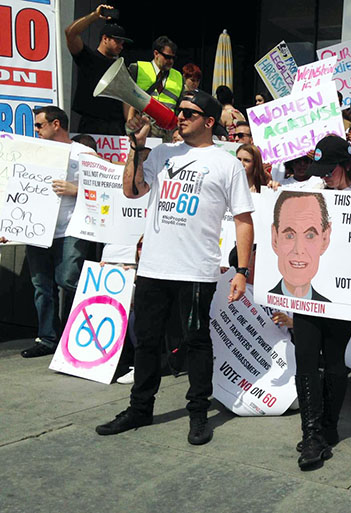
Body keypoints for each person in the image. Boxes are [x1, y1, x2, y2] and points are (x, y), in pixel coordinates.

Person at [95, 90, 255, 446]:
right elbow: (132, 191)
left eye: (189, 113)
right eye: (179, 111)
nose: (179, 117)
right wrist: (136, 148)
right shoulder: (163, 152)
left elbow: (244, 221)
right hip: (153, 266)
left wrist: (242, 271)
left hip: (196, 271)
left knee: (196, 342)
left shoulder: (225, 163)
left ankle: (198, 412)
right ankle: (140, 408)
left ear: (210, 122)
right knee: (147, 342)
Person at [280, 135, 351, 470]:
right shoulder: (315, 192)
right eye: (321, 169)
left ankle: (329, 425)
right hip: (308, 291)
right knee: (307, 358)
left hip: (343, 297)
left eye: (329, 170)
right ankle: (312, 433)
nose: (324, 176)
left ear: (345, 166)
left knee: (336, 361)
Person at [17, 107, 94, 358]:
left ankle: (74, 334)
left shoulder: (84, 153)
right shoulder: (32, 151)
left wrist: (77, 189)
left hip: (70, 228)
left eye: (40, 125)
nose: (36, 131)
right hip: (37, 228)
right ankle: (47, 338)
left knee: (69, 279)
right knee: (41, 285)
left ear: (56, 124)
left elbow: (106, 189)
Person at [65, 5, 131, 135]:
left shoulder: (121, 67)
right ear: (105, 39)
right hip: (91, 124)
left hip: (115, 127)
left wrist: (129, 123)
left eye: (123, 43)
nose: (121, 46)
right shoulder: (88, 57)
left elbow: (126, 98)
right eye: (117, 41)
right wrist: (95, 15)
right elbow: (70, 33)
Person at [268, 191, 331, 301]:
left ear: (324, 239)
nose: (299, 249)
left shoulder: (332, 311)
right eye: (289, 236)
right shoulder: (259, 304)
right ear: (275, 238)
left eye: (310, 235)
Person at [127, 36, 183, 141]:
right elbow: (126, 99)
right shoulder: (138, 68)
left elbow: (181, 107)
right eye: (167, 57)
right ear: (156, 53)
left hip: (167, 134)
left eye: (173, 58)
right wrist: (130, 123)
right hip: (142, 129)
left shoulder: (179, 77)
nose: (170, 61)